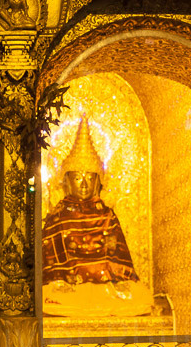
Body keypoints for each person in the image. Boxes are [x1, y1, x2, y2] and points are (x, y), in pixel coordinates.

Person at [42, 117, 153, 317]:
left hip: (105, 282)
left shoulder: (106, 214)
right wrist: (65, 277)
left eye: (90, 177)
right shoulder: (58, 216)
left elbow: (115, 252)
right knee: (54, 297)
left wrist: (108, 272)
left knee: (134, 297)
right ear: (67, 181)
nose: (83, 184)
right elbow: (52, 260)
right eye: (77, 177)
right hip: (70, 282)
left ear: (97, 182)